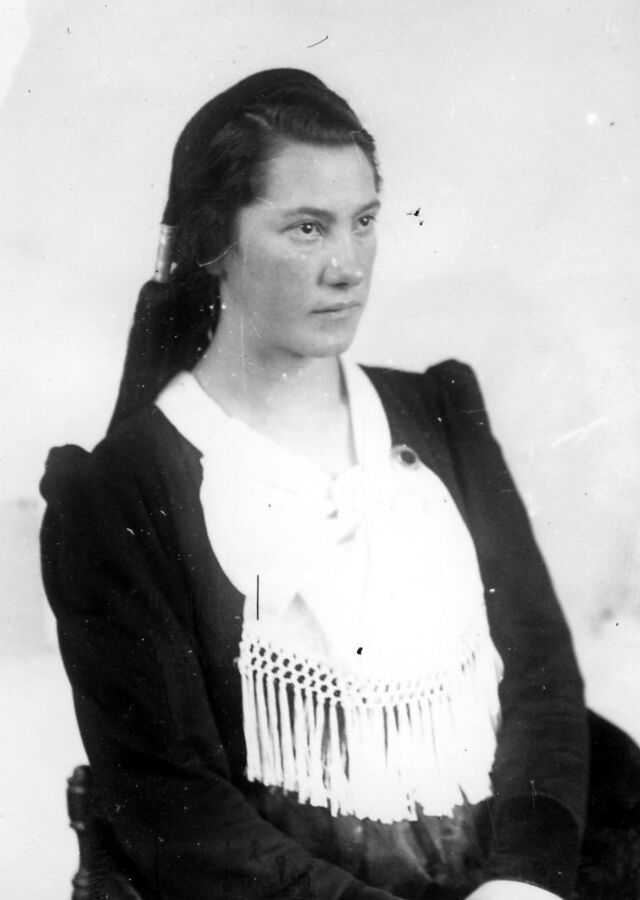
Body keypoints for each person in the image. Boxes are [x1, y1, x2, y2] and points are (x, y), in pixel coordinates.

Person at [39, 68, 635, 900]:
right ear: (214, 244)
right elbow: (178, 807)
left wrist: (524, 883)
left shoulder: (439, 416)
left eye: (363, 222)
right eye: (307, 229)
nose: (348, 266)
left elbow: (541, 677)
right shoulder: (121, 493)